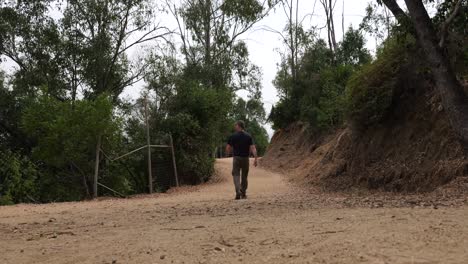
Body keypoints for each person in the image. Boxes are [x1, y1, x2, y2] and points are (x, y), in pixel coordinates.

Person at [226, 120, 258, 200]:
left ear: (239, 126)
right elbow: (253, 148)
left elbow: (228, 148)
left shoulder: (233, 136)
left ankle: (237, 191)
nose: (234, 126)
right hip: (245, 158)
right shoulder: (248, 136)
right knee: (244, 176)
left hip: (236, 158)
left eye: (235, 125)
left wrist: (228, 153)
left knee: (236, 175)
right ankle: (243, 193)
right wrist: (255, 158)